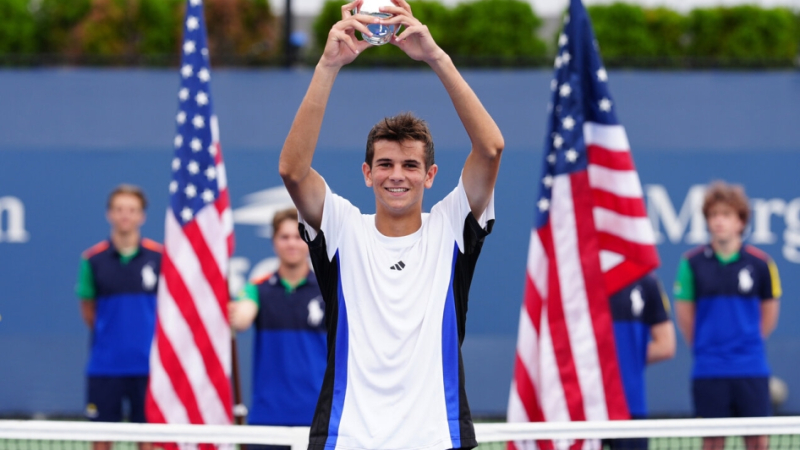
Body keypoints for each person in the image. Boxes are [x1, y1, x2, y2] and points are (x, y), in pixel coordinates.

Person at [278, 0, 504, 448]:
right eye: (384, 164)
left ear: (430, 176)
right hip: (348, 438)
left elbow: (491, 149)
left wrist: (435, 57)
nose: (396, 175)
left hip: (437, 437)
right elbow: (293, 171)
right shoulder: (342, 227)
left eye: (409, 165)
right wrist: (327, 65)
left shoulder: (451, 226)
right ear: (367, 173)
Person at [674, 181, 781, 450]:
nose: (719, 221)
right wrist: (707, 346)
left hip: (751, 368)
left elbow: (768, 316)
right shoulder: (691, 264)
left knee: (758, 442)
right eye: (713, 215)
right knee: (712, 443)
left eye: (726, 215)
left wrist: (746, 343)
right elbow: (686, 317)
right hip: (709, 369)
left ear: (740, 222)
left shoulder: (761, 264)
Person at [229, 207, 326, 449]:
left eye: (298, 236)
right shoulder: (256, 289)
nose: (292, 243)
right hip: (268, 415)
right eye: (284, 237)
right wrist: (235, 313)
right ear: (274, 242)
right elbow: (242, 319)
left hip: (316, 413)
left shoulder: (328, 290)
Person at [76, 185, 160, 450]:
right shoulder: (92, 259)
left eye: (132, 210)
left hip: (149, 367)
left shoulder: (161, 257)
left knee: (148, 440)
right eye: (119, 209)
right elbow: (88, 311)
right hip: (105, 367)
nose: (125, 215)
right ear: (109, 214)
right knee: (102, 440)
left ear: (142, 217)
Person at [606, 274, 676, 450]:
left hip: (631, 406)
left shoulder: (647, 283)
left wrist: (626, 356)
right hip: (584, 408)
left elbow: (665, 345)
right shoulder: (577, 278)